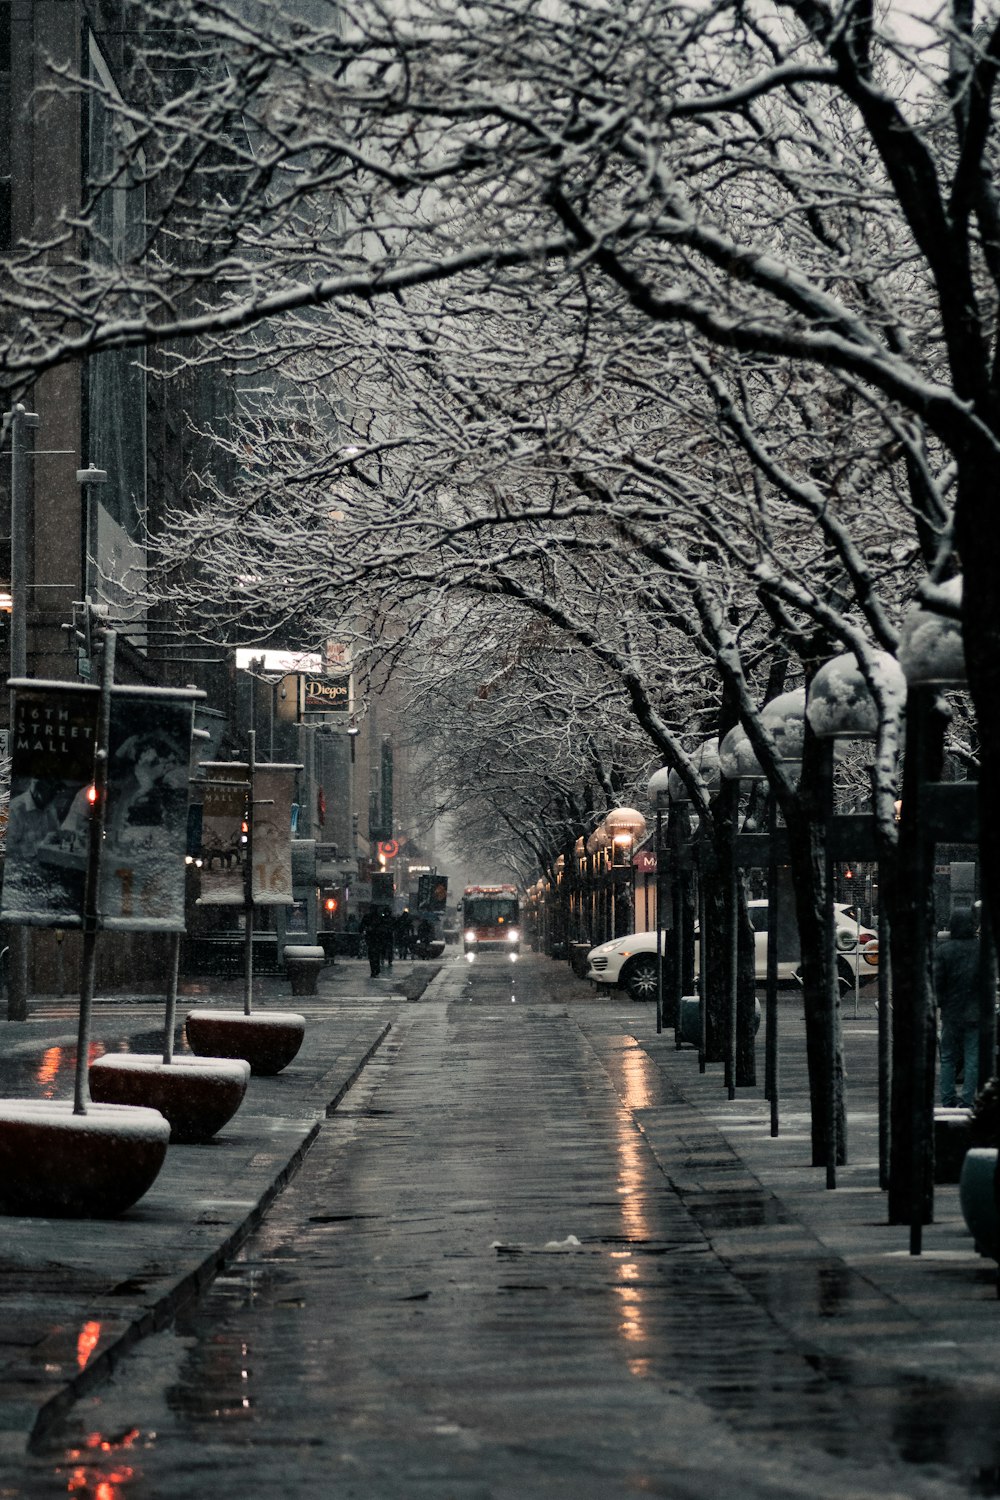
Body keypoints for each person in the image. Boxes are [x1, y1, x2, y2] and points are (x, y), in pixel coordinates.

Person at [935, 906, 982, 1109]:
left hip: (951, 1012)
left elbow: (937, 984)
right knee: (972, 1057)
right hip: (976, 1012)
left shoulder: (944, 951)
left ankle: (947, 1099)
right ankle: (968, 1100)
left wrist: (941, 1002)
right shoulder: (981, 949)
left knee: (948, 1057)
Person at [359, 905, 393, 977]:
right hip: (377, 938)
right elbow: (385, 928)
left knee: (372, 954)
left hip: (371, 938)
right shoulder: (379, 918)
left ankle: (374, 970)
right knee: (376, 954)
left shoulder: (368, 917)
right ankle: (376, 969)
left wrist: (364, 931)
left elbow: (361, 926)